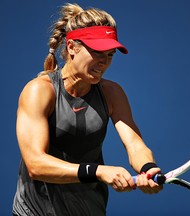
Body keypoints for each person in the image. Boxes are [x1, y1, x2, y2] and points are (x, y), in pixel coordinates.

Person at [12, 3, 163, 216]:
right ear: (72, 47)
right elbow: (35, 164)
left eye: (110, 54)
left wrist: (147, 169)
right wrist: (98, 172)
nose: (104, 62)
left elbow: (135, 145)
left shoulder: (112, 92)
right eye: (97, 52)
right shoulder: (40, 90)